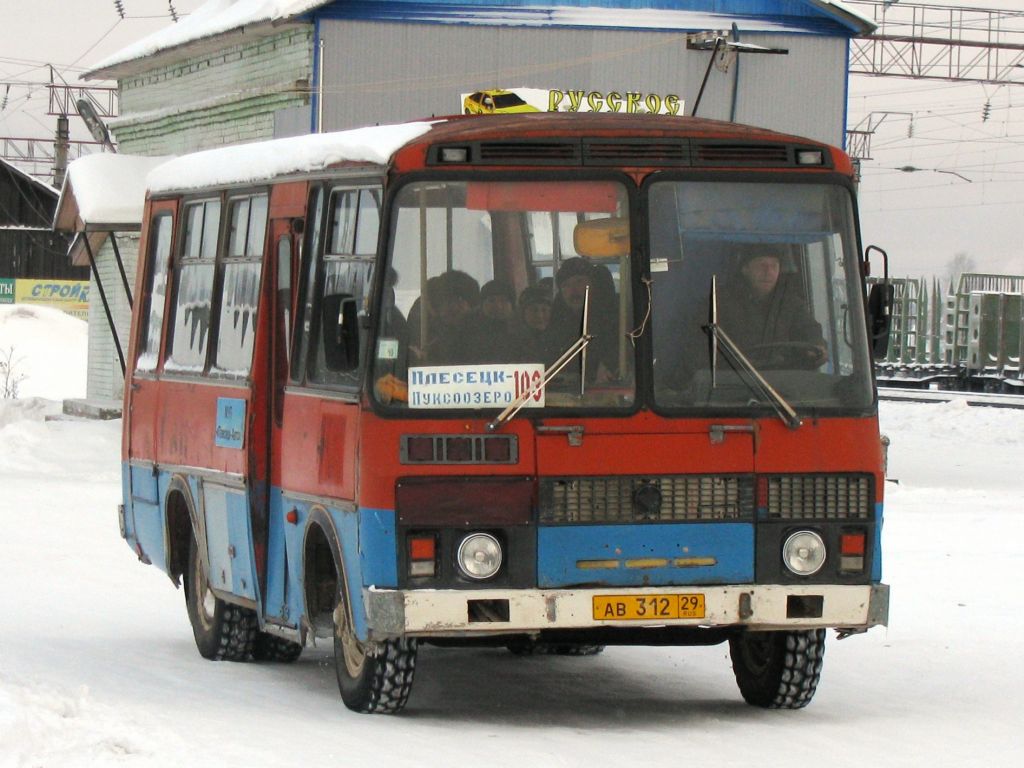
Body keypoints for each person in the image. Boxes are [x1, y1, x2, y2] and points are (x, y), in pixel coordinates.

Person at [715, 248, 827, 369]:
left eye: (774, 266)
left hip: (784, 382)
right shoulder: (718, 304)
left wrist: (817, 345)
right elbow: (705, 349)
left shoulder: (792, 304)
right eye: (761, 265)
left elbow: (809, 329)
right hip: (735, 381)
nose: (768, 271)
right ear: (745, 269)